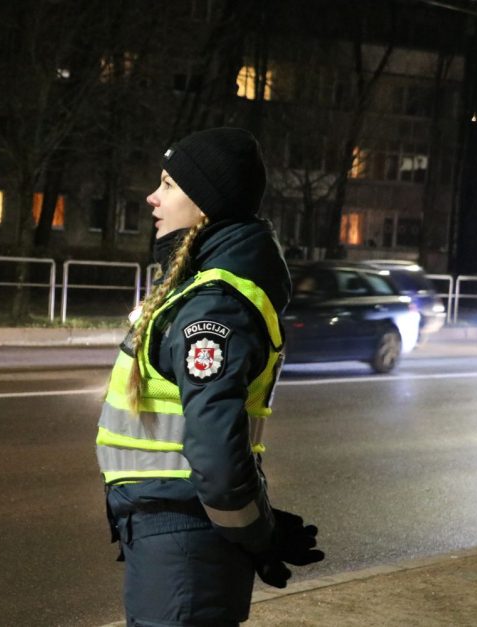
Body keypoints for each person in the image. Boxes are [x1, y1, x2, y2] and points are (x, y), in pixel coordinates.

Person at [95, 127, 324, 625]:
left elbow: (217, 458)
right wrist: (257, 530)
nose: (153, 196)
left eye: (169, 185)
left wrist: (256, 533)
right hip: (176, 541)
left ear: (204, 205)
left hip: (184, 549)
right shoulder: (199, 289)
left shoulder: (216, 305)